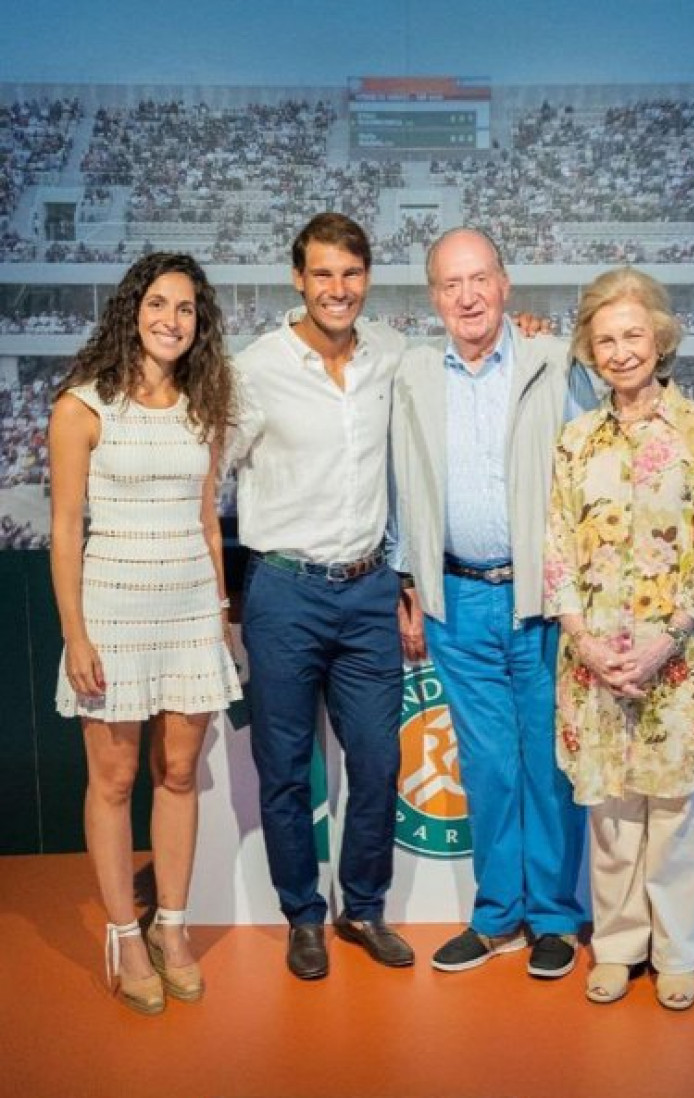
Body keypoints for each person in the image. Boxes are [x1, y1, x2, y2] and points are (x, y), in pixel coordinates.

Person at [390, 227, 596, 978]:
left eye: (480, 279)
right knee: (487, 767)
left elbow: (592, 474)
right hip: (458, 603)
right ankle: (496, 917)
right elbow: (394, 483)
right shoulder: (411, 372)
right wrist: (405, 581)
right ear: (434, 297)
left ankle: (552, 917)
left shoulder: (555, 361)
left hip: (543, 602)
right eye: (452, 284)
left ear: (506, 286)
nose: (468, 296)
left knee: (546, 765)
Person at [544, 267, 694, 1010]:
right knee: (611, 816)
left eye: (633, 334)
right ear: (590, 351)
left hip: (682, 661)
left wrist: (664, 641)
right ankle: (619, 946)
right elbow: (556, 544)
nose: (622, 350)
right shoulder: (573, 441)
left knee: (674, 817)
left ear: (659, 338)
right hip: (595, 660)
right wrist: (583, 639)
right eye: (606, 339)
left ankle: (677, 952)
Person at [49, 253, 242, 1014]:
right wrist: (76, 634)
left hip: (191, 613)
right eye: (158, 304)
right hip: (112, 616)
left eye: (186, 309)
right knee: (114, 780)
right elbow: (66, 531)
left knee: (179, 773)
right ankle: (125, 934)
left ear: (200, 323)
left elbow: (207, 524)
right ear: (133, 311)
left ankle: (173, 926)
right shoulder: (81, 406)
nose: (171, 319)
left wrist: (221, 617)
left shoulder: (205, 405)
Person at [226, 212, 414, 979]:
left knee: (376, 762)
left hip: (369, 591)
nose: (338, 289)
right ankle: (302, 914)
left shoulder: (397, 356)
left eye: (352, 273)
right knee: (284, 768)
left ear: (367, 279)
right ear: (298, 280)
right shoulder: (255, 367)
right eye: (324, 274)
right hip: (283, 591)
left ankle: (361, 909)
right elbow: (209, 467)